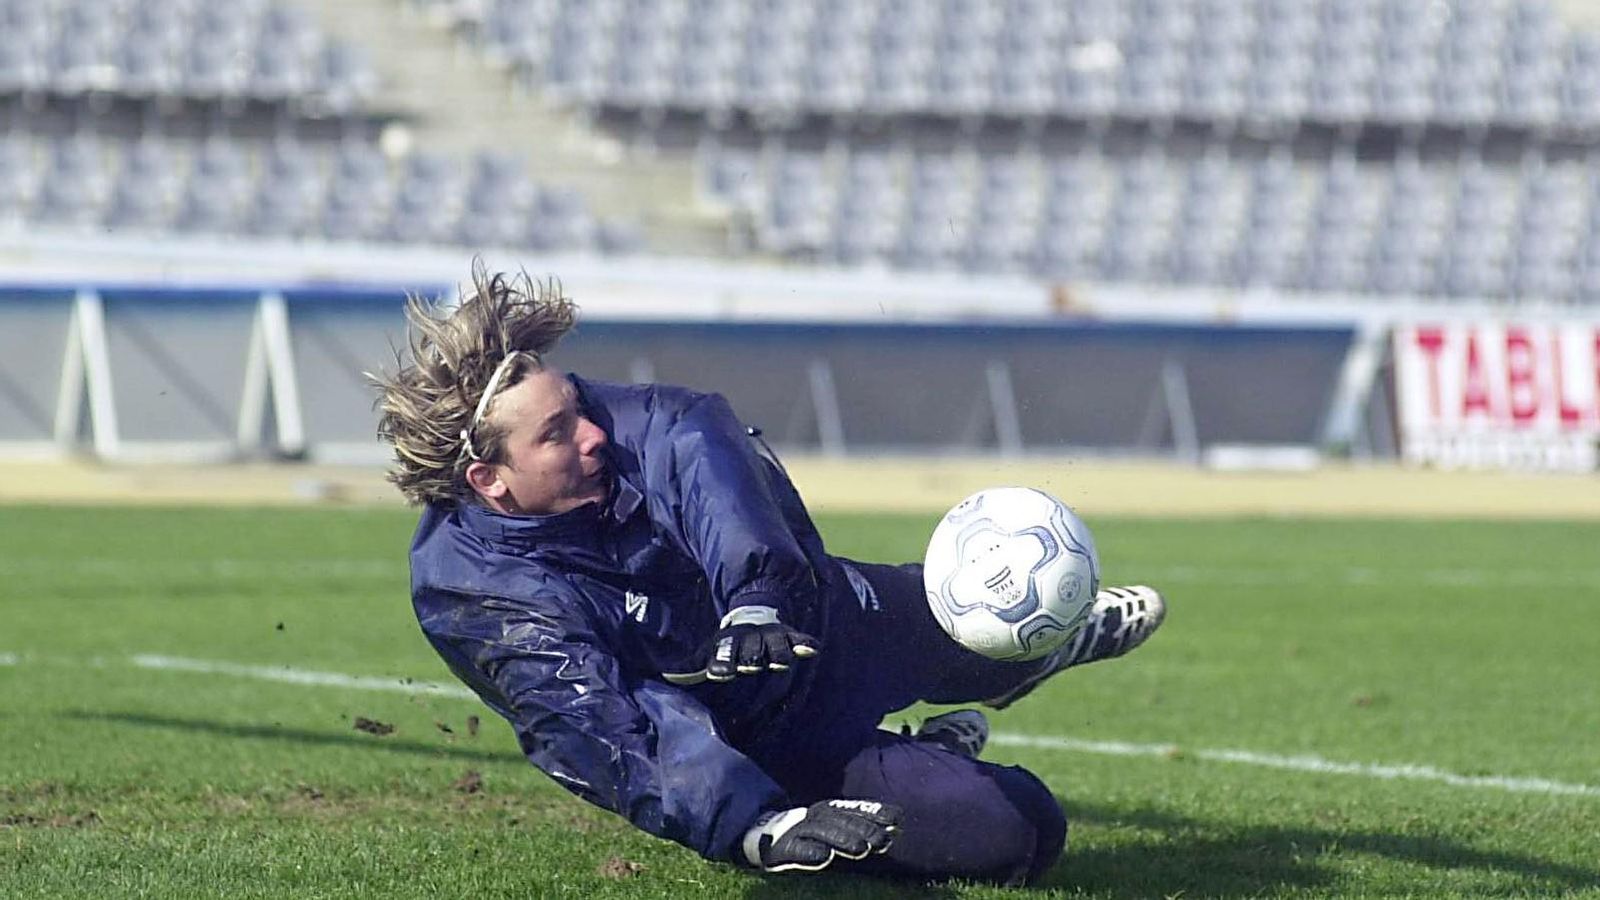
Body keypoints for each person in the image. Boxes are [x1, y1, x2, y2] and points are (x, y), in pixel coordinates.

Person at [373, 263, 1167, 885]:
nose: (591, 433)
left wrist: (756, 599)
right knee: (1021, 834)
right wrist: (753, 827)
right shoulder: (472, 590)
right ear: (490, 481)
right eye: (556, 434)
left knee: (989, 635)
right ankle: (943, 756)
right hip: (762, 743)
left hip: (817, 618)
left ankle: (1035, 655)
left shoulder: (618, 421)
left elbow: (700, 455)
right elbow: (601, 725)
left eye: (577, 404)